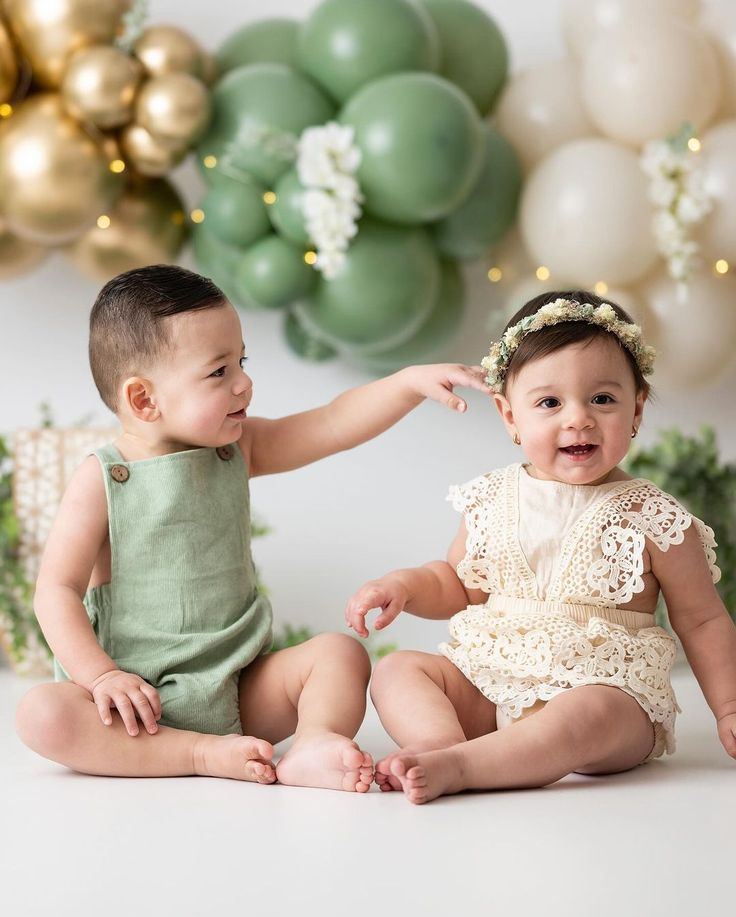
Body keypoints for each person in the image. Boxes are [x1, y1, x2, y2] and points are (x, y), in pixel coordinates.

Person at [15, 263, 490, 792]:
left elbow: (331, 424)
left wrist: (406, 384)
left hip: (238, 685)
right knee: (42, 714)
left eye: (241, 361)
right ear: (144, 400)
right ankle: (199, 753)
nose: (244, 382)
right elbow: (55, 590)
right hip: (136, 705)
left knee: (339, 654)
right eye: (219, 371)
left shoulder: (236, 450)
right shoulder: (102, 479)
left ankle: (313, 743)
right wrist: (101, 676)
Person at [345, 290, 736, 804]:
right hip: (492, 682)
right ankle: (442, 747)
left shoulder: (653, 517)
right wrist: (402, 586)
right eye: (550, 402)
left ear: (636, 409)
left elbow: (703, 620)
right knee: (399, 669)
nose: (578, 419)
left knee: (591, 713)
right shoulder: (492, 498)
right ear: (510, 416)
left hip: (604, 691)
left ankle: (466, 767)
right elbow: (456, 584)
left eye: (602, 399)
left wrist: (729, 707)